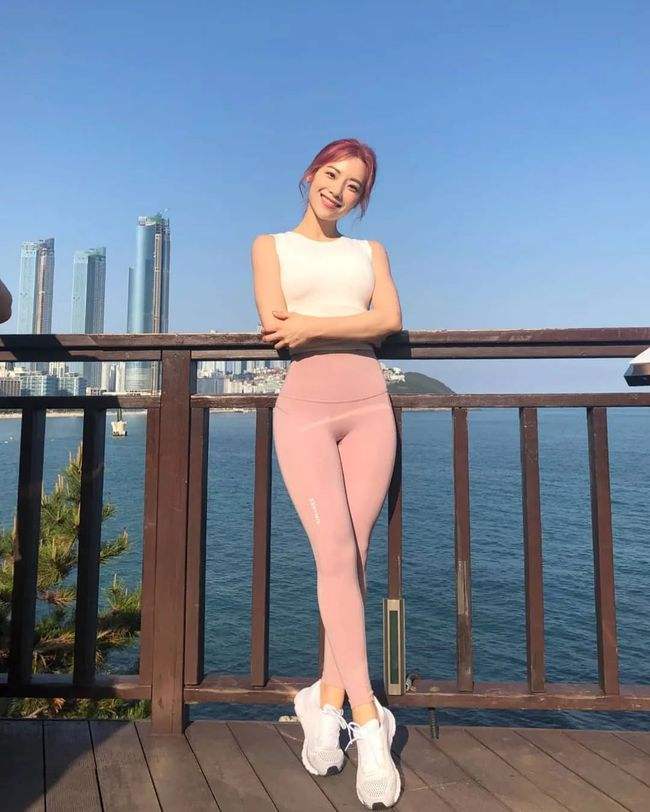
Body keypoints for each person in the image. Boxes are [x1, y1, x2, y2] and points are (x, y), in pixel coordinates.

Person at [252, 138, 403, 809]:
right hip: (305, 413)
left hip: (371, 408)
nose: (338, 189)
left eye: (354, 186)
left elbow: (389, 320)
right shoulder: (270, 246)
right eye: (332, 174)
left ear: (361, 200)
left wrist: (312, 328)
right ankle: (371, 725)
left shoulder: (370, 253)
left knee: (354, 557)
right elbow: (273, 323)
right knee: (336, 554)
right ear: (310, 174)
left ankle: (325, 700)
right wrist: (346, 325)